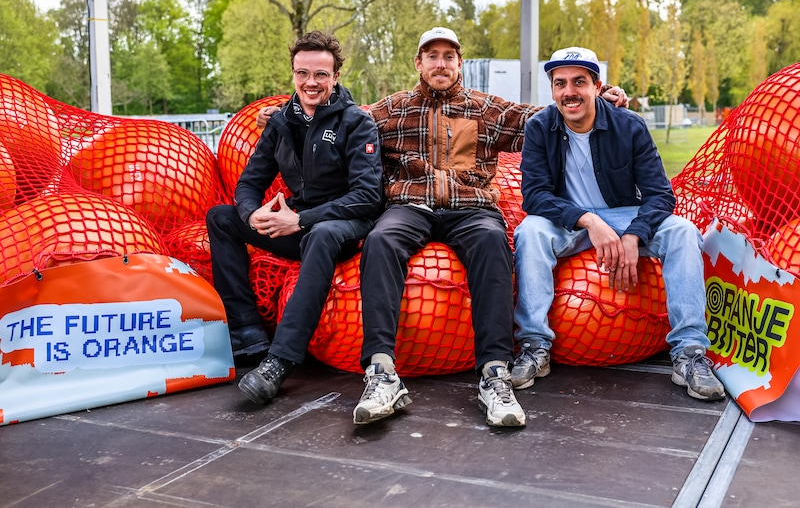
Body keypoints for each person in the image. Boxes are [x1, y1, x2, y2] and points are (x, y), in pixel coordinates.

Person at [256, 29, 627, 427]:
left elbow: (545, 116)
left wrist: (598, 98)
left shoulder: (485, 109)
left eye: (448, 56)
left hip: (470, 208)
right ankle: (381, 372)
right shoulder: (392, 110)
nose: (440, 63)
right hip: (409, 205)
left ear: (459, 63)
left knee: (493, 242)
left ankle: (494, 373)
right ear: (419, 63)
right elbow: (337, 114)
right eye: (431, 56)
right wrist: (283, 117)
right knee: (380, 240)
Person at [510, 46, 726, 402]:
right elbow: (534, 196)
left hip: (625, 214)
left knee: (683, 232)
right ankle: (535, 346)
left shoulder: (629, 125)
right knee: (530, 231)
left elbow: (661, 195)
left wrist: (634, 235)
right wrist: (588, 220)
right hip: (570, 220)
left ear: (597, 86)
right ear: (552, 90)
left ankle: (689, 353)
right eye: (560, 83)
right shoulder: (539, 127)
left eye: (579, 82)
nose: (569, 92)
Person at [206, 31, 382, 405]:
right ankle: (246, 333)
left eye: (320, 74)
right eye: (302, 73)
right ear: (293, 74)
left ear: (335, 77)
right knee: (221, 217)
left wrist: (301, 220)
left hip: (346, 228)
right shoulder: (281, 122)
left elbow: (367, 198)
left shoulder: (357, 123)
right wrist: (251, 214)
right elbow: (249, 182)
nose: (310, 82)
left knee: (322, 233)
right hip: (297, 224)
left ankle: (280, 361)